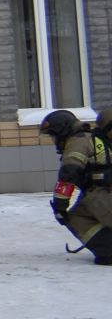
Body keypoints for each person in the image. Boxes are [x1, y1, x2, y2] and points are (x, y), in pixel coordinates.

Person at [40, 110, 112, 264]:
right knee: (82, 210)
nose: (54, 140)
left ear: (62, 130)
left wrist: (60, 207)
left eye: (53, 135)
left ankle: (108, 249)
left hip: (104, 194)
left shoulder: (78, 142)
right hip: (104, 192)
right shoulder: (91, 138)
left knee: (74, 217)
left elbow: (68, 174)